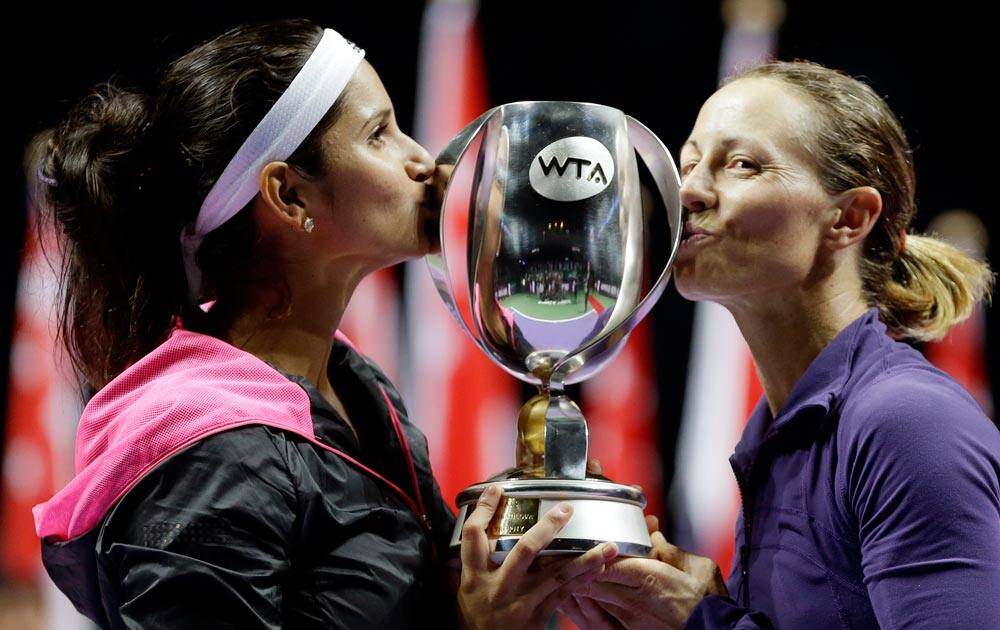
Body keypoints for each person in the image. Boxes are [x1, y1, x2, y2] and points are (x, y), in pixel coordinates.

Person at [30, 19, 615, 629]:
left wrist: (520, 531)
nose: (421, 160)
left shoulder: (358, 389)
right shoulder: (211, 458)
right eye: (379, 134)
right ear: (290, 196)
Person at [563, 60, 1000, 628]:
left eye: (741, 165)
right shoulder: (778, 431)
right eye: (688, 163)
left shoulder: (907, 421)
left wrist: (703, 622)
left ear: (848, 217)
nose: (688, 190)